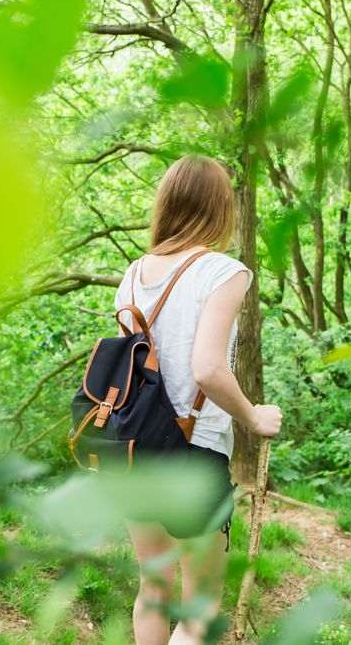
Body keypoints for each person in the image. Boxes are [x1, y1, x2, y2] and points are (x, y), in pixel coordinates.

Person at [114, 154, 283, 645]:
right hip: (193, 450)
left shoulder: (134, 273)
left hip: (132, 449)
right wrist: (254, 417)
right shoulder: (222, 271)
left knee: (154, 588)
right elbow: (208, 368)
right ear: (218, 208)